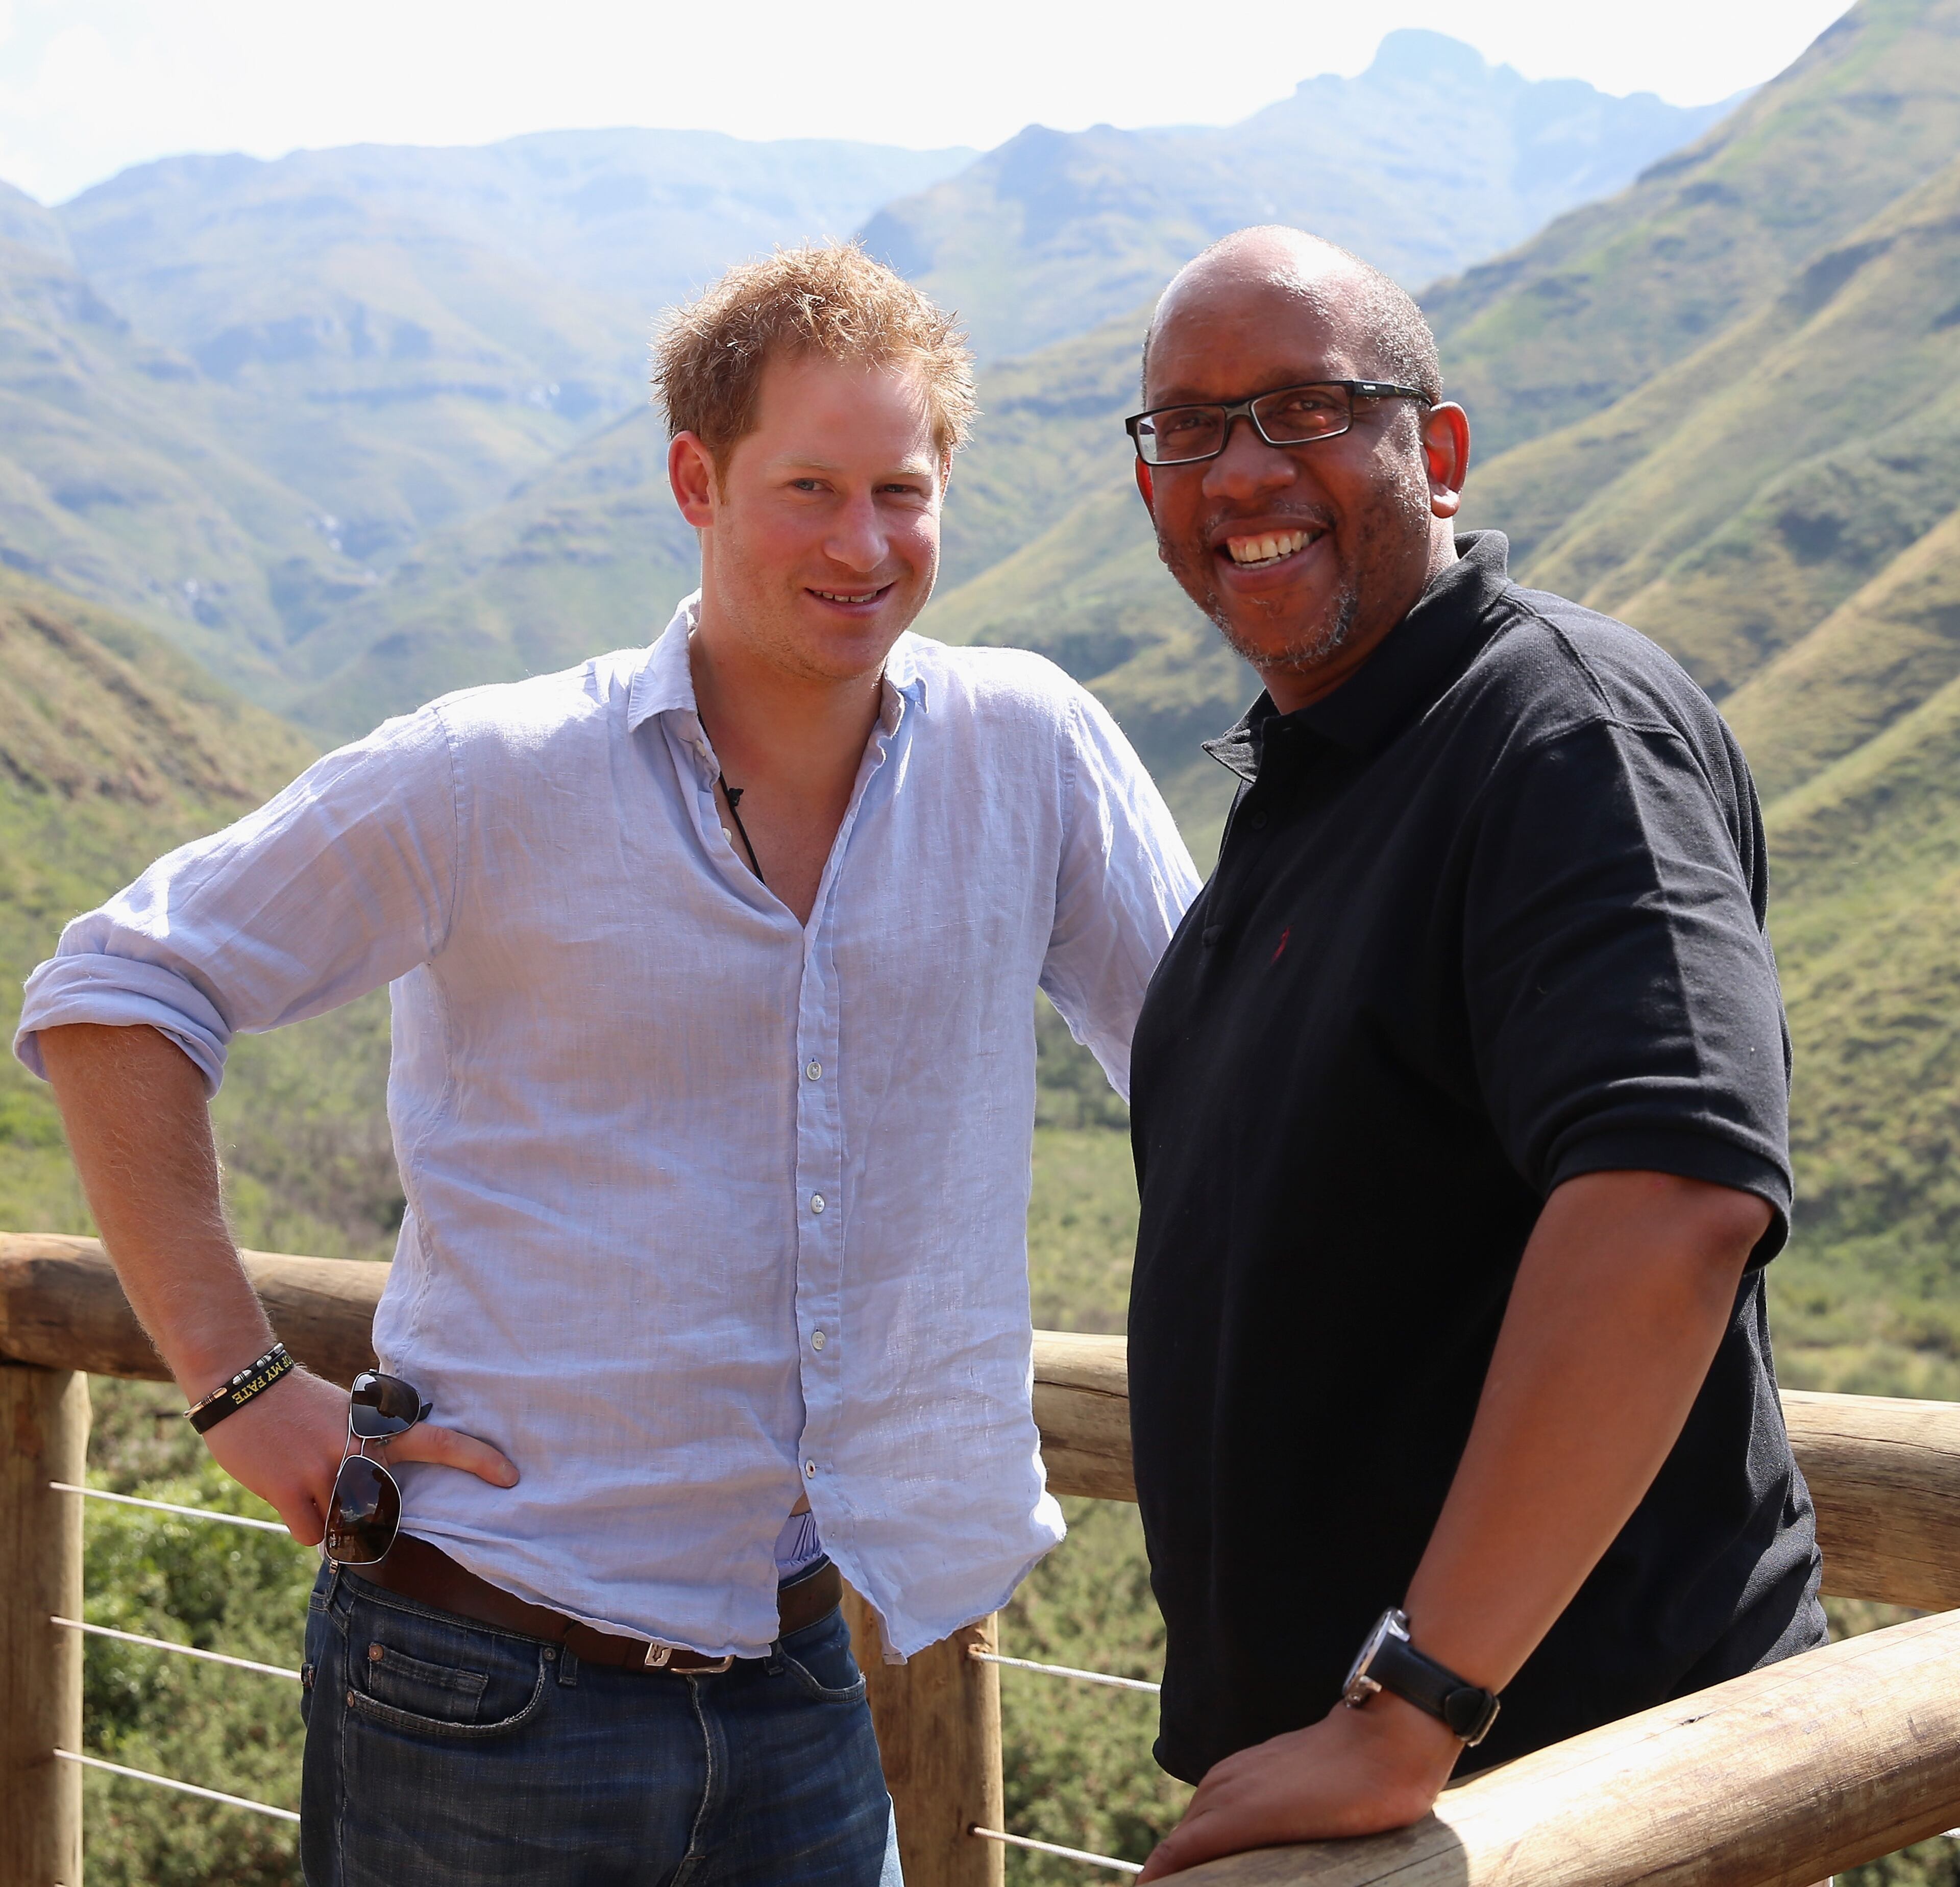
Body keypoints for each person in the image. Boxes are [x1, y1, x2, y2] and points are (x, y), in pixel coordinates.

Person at [18, 242, 1198, 1887]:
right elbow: (116, 990)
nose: (865, 544)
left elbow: (1224, 1073)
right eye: (810, 488)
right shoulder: (489, 774)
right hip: (476, 1678)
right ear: (693, 481)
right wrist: (236, 1385)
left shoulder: (1031, 751)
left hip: (803, 1674)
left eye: (901, 490)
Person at [1118, 226, 1823, 1879]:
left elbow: (1673, 1195)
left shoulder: (1559, 732)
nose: (1238, 471)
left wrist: (1411, 1697)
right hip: (1364, 1798)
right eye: (1188, 426)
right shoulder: (1322, 776)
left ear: (1431, 451)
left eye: (1302, 409)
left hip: (1571, 1802)